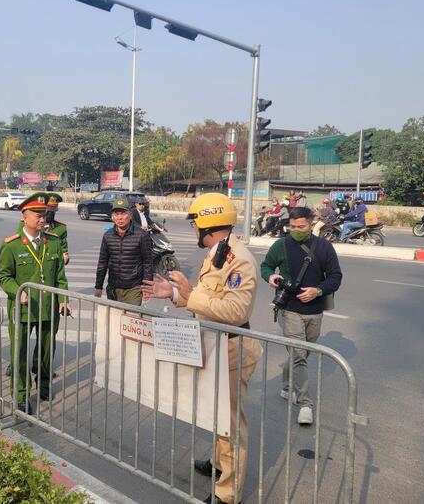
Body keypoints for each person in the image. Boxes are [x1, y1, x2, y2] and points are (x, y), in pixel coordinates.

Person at [142, 192, 261, 504]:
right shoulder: (217, 253)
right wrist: (175, 294)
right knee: (216, 413)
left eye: (196, 223)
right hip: (215, 344)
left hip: (234, 347)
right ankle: (220, 465)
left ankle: (227, 493)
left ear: (208, 223)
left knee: (231, 424)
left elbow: (235, 312)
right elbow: (206, 303)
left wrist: (190, 293)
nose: (194, 229)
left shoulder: (240, 261)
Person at [260, 207, 342, 425]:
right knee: (298, 353)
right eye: (292, 226)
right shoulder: (281, 245)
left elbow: (335, 277)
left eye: (300, 227)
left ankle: (287, 385)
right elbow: (266, 266)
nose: (295, 230)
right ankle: (305, 404)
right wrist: (271, 277)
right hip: (289, 309)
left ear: (311, 224)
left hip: (315, 311)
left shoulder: (324, 247)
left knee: (302, 353)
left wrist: (318, 290)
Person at [0, 192, 70, 414]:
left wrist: (63, 299)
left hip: (48, 307)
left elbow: (60, 276)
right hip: (23, 309)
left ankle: (45, 385)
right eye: (37, 215)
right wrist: (16, 293)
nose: (42, 219)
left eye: (44, 215)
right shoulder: (12, 245)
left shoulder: (54, 243)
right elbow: (4, 277)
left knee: (47, 350)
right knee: (19, 353)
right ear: (24, 217)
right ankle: (20, 395)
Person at [95, 197, 153, 306]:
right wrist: (98, 286)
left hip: (133, 288)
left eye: (123, 213)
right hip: (113, 288)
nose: (120, 218)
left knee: (129, 319)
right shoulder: (108, 236)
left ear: (130, 215)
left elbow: (147, 262)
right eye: (116, 214)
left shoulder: (141, 235)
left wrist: (147, 287)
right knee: (114, 320)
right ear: (112, 217)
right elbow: (103, 262)